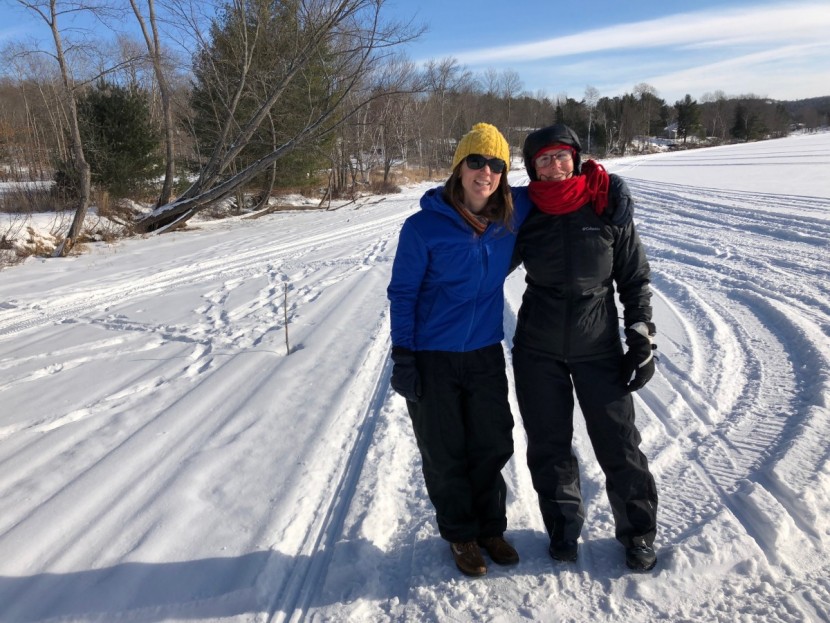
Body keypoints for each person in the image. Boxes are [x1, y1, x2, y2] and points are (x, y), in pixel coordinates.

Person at [511, 123, 660, 572]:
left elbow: (633, 277)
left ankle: (638, 533)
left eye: (561, 156)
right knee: (549, 443)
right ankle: (562, 528)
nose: (554, 166)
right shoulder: (523, 213)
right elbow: (480, 256)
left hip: (598, 345)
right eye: (543, 159)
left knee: (620, 444)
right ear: (532, 169)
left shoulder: (606, 203)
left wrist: (640, 331)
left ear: (575, 158)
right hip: (537, 348)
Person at [387, 123, 532, 577]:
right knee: (445, 450)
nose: (484, 172)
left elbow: (561, 186)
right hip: (434, 357)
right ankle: (461, 534)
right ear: (459, 167)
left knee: (491, 442)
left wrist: (606, 185)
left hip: (485, 352)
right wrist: (404, 356)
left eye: (495, 165)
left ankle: (491, 528)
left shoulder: (512, 214)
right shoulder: (423, 228)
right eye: (476, 161)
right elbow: (402, 293)